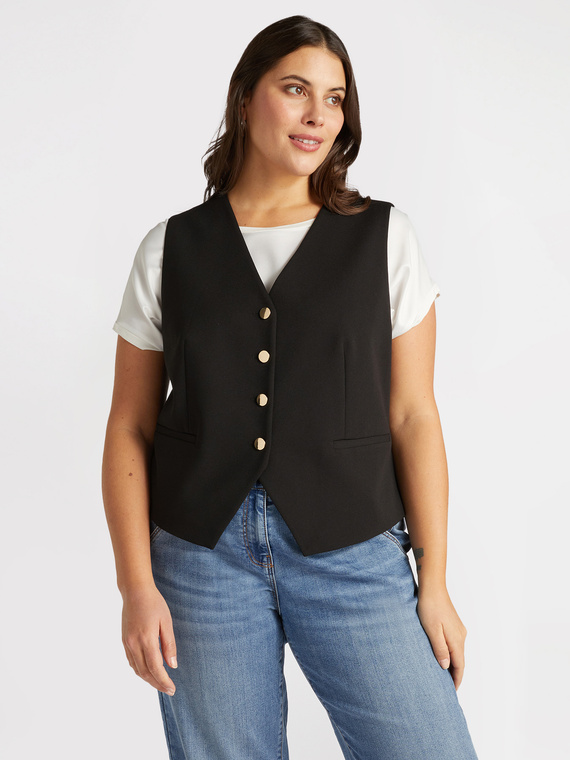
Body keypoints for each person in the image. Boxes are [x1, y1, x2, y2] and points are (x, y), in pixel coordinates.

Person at [102, 15, 479, 760]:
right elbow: (129, 427)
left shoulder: (386, 238)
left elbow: (413, 415)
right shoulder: (169, 248)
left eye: (335, 99)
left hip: (354, 547)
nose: (318, 115)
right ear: (246, 98)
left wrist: (433, 579)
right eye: (296, 89)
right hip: (200, 558)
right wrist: (136, 586)